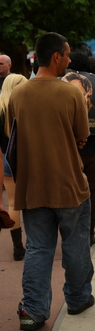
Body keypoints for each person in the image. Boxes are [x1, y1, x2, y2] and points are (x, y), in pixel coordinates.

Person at [8, 32, 94, 331]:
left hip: (32, 186)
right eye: (67, 54)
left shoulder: (17, 94)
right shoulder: (71, 93)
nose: (70, 60)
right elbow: (82, 135)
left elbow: (13, 138)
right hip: (70, 184)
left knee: (38, 249)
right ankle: (78, 298)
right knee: (76, 246)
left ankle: (33, 310)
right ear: (57, 56)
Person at [65, 52, 95, 246]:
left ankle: (72, 233)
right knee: (93, 190)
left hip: (70, 148)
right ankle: (89, 232)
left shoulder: (65, 82)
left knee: (70, 191)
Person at [0, 74, 28, 260]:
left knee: (13, 202)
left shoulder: (1, 109)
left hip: (6, 159)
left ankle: (18, 247)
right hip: (27, 159)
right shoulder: (24, 107)